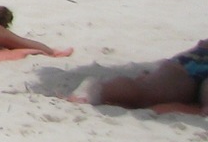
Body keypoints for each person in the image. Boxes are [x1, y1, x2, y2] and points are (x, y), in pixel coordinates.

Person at [74, 41, 208, 111]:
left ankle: (98, 90)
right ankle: (98, 91)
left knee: (145, 91)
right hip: (199, 59)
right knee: (145, 91)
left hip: (197, 58)